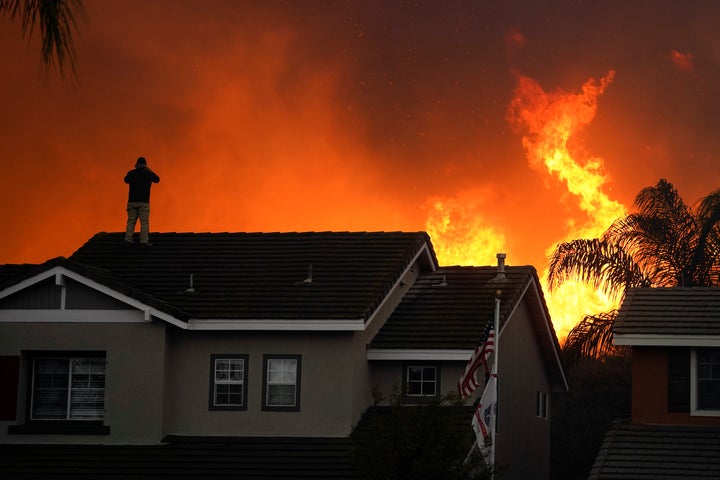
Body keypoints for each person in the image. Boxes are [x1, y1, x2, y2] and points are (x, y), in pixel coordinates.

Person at [124, 156, 160, 246]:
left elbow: (126, 180)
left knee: (131, 221)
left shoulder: (132, 173)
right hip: (144, 202)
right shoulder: (147, 173)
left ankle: (128, 239)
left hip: (132, 201)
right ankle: (143, 241)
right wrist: (149, 170)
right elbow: (157, 179)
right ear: (145, 165)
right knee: (144, 222)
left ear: (137, 164)